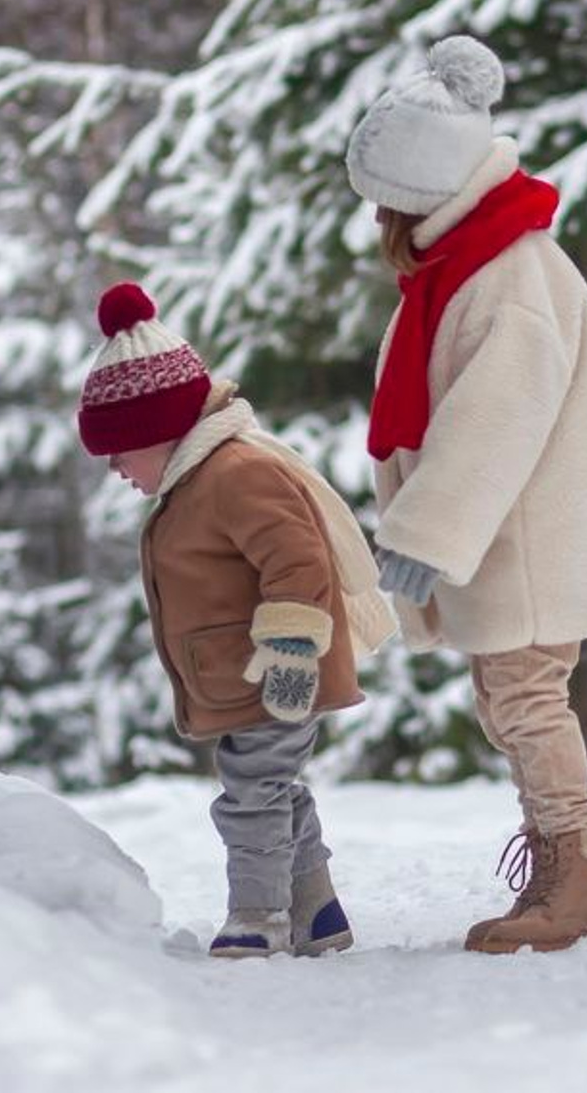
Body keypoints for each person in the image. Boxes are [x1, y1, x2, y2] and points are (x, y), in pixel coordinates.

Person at [346, 35, 587, 954]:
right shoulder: (467, 266)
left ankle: (583, 870)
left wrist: (426, 531)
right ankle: (559, 858)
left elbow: (495, 420)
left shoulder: (509, 275)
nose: (380, 228)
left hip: (527, 536)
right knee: (508, 697)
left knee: (526, 696)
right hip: (509, 538)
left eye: (386, 208)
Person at [76, 281, 395, 958]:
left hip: (278, 675)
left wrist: (288, 659)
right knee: (272, 789)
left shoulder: (236, 473)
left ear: (157, 433)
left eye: (119, 451)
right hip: (242, 679)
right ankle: (318, 914)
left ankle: (259, 917)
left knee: (251, 798)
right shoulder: (199, 478)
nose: (114, 467)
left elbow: (298, 562)